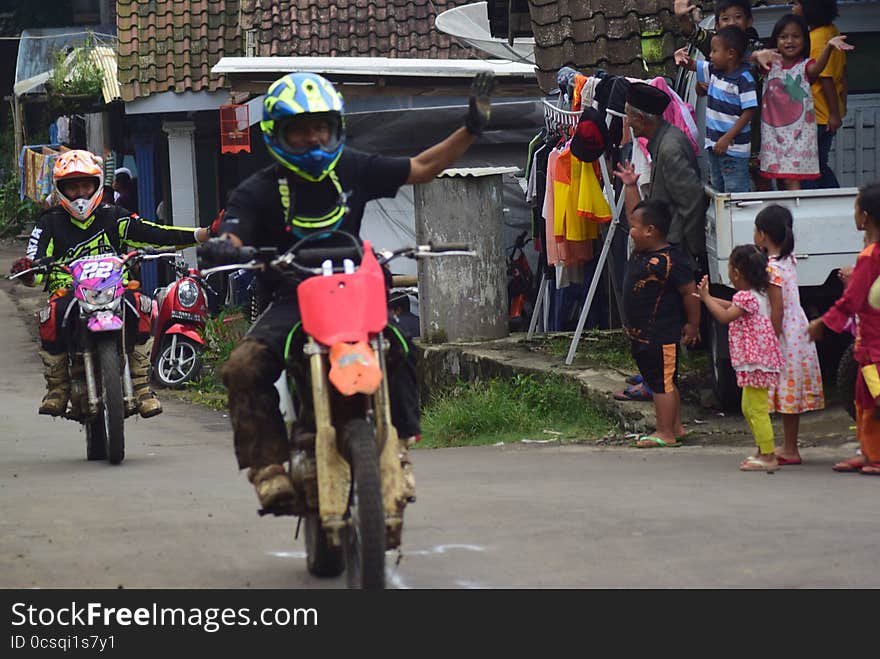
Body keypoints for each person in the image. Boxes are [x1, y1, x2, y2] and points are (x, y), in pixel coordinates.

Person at [200, 71, 494, 509]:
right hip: (293, 300)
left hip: (354, 292)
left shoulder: (353, 166)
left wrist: (472, 128)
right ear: (277, 135)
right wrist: (226, 244)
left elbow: (423, 167)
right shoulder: (257, 189)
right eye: (299, 131)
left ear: (335, 127)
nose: (313, 139)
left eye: (321, 127)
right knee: (242, 367)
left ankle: (398, 447)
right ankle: (268, 468)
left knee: (399, 345)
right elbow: (235, 231)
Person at [8, 149, 211, 418]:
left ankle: (141, 386)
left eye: (85, 185)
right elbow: (35, 263)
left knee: (142, 305)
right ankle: (57, 388)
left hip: (116, 289)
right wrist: (28, 271)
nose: (80, 193)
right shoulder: (49, 223)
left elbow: (154, 233)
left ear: (97, 185)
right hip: (69, 291)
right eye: (72, 187)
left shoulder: (115, 216)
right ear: (60, 189)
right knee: (50, 315)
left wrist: (201, 234)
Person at [807, 182, 880, 475]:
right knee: (862, 399)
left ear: (864, 216)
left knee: (874, 398)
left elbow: (852, 299)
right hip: (868, 342)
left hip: (874, 344)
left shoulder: (869, 256)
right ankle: (869, 451)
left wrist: (823, 323)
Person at [621, 200, 701, 448]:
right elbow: (633, 210)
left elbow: (690, 293)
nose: (630, 230)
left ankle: (665, 431)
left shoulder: (670, 260)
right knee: (663, 381)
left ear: (650, 230)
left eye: (634, 227)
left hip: (660, 334)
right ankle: (675, 427)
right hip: (642, 335)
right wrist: (631, 185)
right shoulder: (643, 252)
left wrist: (693, 325)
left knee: (662, 384)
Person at [697, 245, 784, 472]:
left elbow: (725, 316)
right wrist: (708, 298)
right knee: (748, 406)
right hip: (757, 361)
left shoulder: (747, 297)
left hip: (757, 362)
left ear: (736, 273)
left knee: (756, 409)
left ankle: (768, 455)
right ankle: (762, 449)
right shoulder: (756, 294)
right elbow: (732, 306)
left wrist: (707, 300)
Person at [753, 205, 824, 464]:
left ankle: (786, 449)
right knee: (790, 392)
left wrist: (770, 340)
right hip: (799, 331)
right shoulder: (788, 259)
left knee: (782, 390)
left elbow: (777, 310)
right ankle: (790, 446)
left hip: (784, 336)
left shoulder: (771, 269)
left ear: (762, 234)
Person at [613, 83, 707, 274]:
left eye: (628, 116)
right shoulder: (663, 141)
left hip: (678, 251)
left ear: (640, 118)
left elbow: (692, 201)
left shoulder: (670, 149)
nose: (628, 123)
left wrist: (692, 254)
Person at [758, 14, 853, 189]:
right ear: (776, 40)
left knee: (793, 179)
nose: (789, 41)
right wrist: (757, 54)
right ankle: (787, 214)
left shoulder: (805, 66)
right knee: (780, 179)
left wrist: (829, 48)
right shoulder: (770, 65)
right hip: (774, 136)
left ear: (805, 40)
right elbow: (750, 60)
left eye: (796, 36)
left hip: (798, 137)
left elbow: (817, 69)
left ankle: (798, 215)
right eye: (784, 37)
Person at [675, 26, 757, 193]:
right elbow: (691, 64)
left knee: (734, 193)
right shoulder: (714, 71)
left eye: (714, 51)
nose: (710, 55)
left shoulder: (744, 78)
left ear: (730, 54)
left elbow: (749, 112)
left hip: (733, 149)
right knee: (718, 190)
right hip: (714, 146)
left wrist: (727, 138)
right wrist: (680, 57)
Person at [794, 0, 848, 189]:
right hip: (827, 114)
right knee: (819, 164)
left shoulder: (816, 39)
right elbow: (843, 72)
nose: (793, 7)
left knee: (808, 167)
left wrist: (833, 113)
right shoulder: (833, 31)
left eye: (796, 3)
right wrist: (842, 105)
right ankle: (835, 197)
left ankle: (819, 202)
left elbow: (825, 78)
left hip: (818, 115)